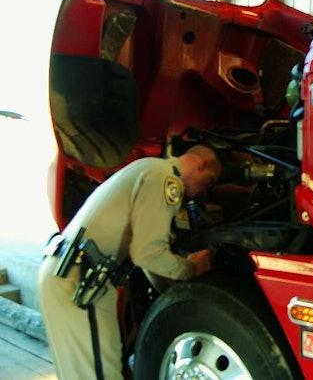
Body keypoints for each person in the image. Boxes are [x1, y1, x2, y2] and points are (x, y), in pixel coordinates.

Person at [37, 144, 221, 380]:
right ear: (201, 164)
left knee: (81, 373)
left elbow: (146, 258)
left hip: (67, 275)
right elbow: (147, 254)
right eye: (210, 181)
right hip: (80, 283)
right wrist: (191, 267)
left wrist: (173, 291)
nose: (203, 192)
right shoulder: (166, 179)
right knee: (101, 374)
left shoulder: (150, 169)